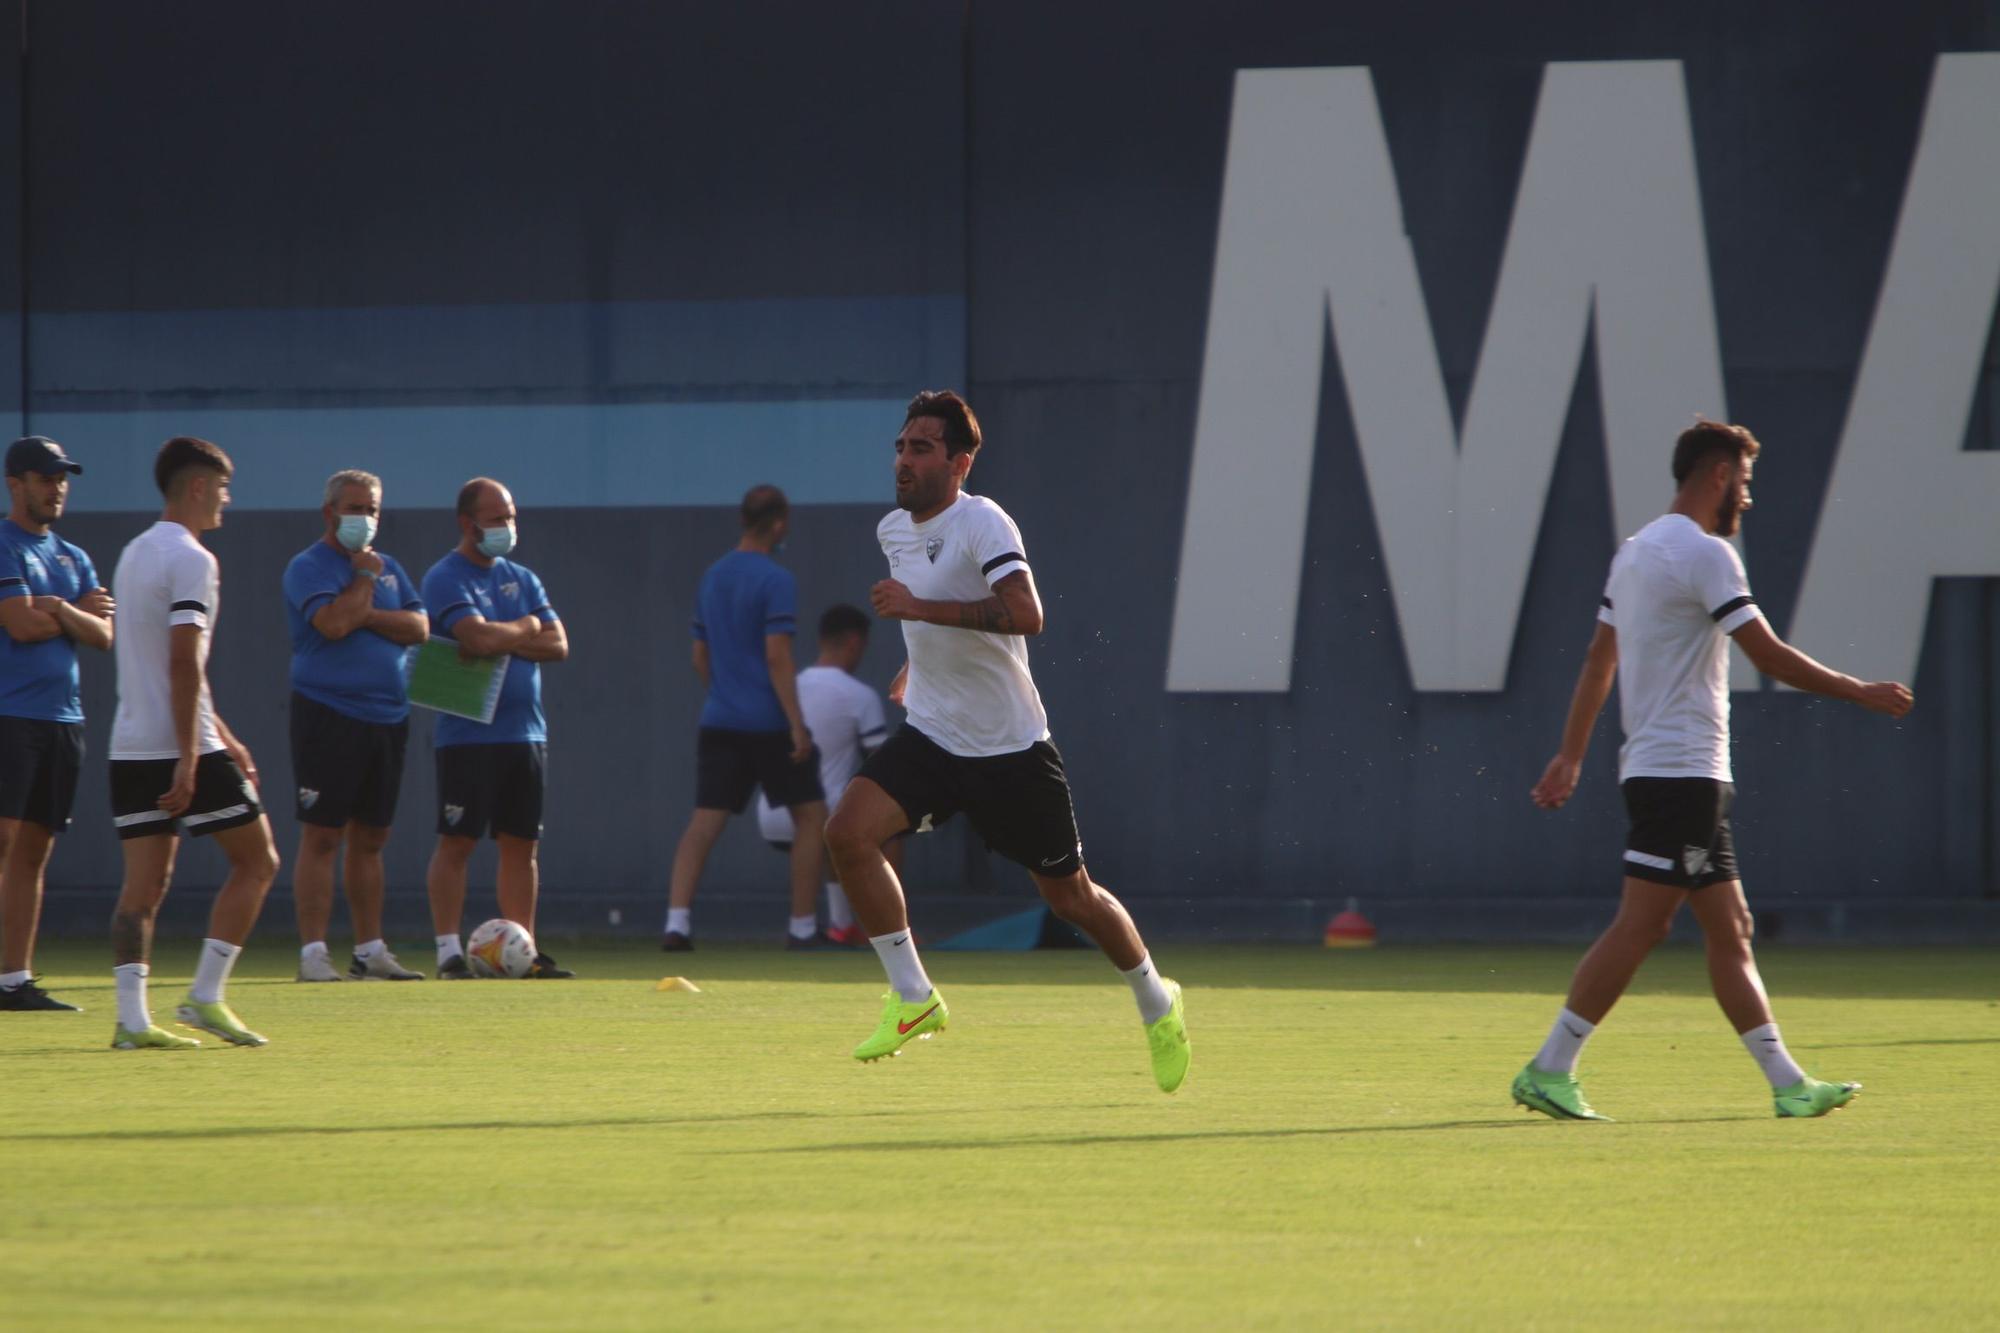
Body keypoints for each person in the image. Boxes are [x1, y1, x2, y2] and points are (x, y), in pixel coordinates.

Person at [1517, 420, 1914, 1120]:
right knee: (1642, 925)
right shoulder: (1706, 555)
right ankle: (1550, 1066)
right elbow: (1767, 655)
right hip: (1682, 776)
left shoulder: (1635, 552)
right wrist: (1860, 691)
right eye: (1747, 482)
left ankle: (1789, 1083)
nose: (1750, 499)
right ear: (1720, 476)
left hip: (1673, 773)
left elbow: (1597, 659)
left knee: (1731, 926)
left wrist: (1573, 752)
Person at [824, 390, 1190, 1092]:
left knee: (1071, 899)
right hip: (933, 733)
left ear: (959, 462)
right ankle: (912, 996)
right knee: (847, 833)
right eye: (901, 445)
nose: (904, 459)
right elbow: (930, 620)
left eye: (922, 447)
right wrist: (914, 659)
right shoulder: (894, 529)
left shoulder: (983, 520)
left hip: (1010, 749)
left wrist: (918, 609)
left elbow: (1027, 613)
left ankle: (1155, 999)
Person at [105, 436, 282, 1049]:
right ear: (199, 486)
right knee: (258, 861)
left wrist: (224, 737)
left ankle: (131, 1022)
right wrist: (191, 755)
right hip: (181, 748)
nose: (227, 502)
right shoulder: (195, 559)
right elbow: (183, 662)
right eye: (224, 489)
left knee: (143, 890)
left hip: (128, 746)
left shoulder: (130, 555)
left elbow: (172, 669)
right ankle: (205, 997)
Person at [662, 485, 827, 950]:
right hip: (771, 724)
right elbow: (778, 656)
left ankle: (676, 925)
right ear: (777, 523)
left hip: (720, 721)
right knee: (812, 818)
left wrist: (724, 693)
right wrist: (796, 723)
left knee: (703, 823)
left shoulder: (713, 576)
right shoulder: (777, 579)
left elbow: (699, 654)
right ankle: (801, 929)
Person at [421, 478, 571, 979]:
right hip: (468, 736)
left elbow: (559, 644)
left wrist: (511, 635)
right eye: (497, 519)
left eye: (511, 517)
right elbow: (476, 637)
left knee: (521, 844)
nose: (508, 528)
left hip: (525, 733)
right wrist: (526, 627)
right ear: (468, 524)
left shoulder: (523, 578)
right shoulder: (446, 576)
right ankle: (447, 951)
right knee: (458, 841)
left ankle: (522, 952)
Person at [283, 469, 430, 982]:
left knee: (371, 839)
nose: (364, 519)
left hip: (387, 717)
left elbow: (419, 626)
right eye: (354, 508)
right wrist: (363, 585)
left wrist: (368, 611)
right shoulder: (309, 567)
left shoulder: (391, 568)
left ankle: (370, 951)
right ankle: (314, 954)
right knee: (323, 836)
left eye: (371, 509)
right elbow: (334, 623)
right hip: (328, 713)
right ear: (329, 513)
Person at [0, 437, 113, 1012]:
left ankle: (12, 981)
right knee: (3, 842)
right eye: (45, 478)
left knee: (35, 852)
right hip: (9, 712)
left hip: (62, 717)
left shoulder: (73, 556)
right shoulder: (3, 543)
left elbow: (104, 635)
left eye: (62, 477)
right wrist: (75, 614)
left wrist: (60, 610)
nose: (57, 487)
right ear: (14, 483)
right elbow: (19, 624)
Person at [754, 603, 893, 946]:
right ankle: (891, 929)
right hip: (817, 821)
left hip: (769, 815)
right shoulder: (860, 696)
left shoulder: (791, 688)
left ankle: (840, 926)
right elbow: (885, 765)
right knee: (887, 823)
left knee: (838, 824)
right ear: (855, 643)